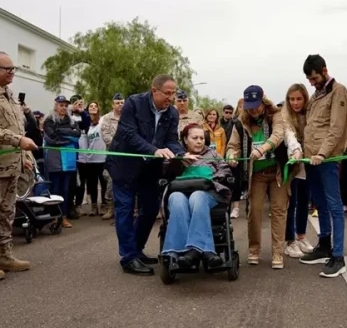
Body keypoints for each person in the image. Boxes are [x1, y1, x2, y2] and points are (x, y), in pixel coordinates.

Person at [105, 74, 197, 276]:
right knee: (125, 210)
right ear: (154, 90)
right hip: (124, 167)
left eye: (173, 94)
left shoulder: (172, 113)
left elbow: (171, 140)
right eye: (167, 93)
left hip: (149, 170)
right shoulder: (133, 103)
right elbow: (129, 134)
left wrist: (181, 154)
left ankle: (136, 250)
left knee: (151, 208)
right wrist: (154, 150)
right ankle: (128, 258)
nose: (171, 98)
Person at [298, 55, 347, 279]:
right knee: (319, 203)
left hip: (325, 159)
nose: (311, 82)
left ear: (324, 70)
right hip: (311, 159)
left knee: (334, 205)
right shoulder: (317, 95)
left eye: (314, 77)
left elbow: (337, 128)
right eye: (308, 79)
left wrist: (322, 153)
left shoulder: (338, 91)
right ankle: (324, 245)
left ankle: (338, 256)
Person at [226, 85, 288, 269]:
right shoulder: (241, 122)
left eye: (256, 105)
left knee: (278, 211)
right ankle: (254, 249)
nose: (253, 110)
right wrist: (231, 155)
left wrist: (263, 148)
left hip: (276, 171)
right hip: (256, 174)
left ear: (263, 101)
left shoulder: (275, 115)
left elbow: (278, 135)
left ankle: (278, 251)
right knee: (254, 211)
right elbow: (232, 146)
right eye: (249, 105)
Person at [161, 124, 233, 268]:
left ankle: (196, 250)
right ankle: (179, 251)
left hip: (208, 193)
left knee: (197, 196)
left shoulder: (212, 154)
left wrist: (212, 179)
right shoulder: (176, 155)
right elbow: (165, 174)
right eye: (195, 138)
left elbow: (225, 171)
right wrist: (179, 163)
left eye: (202, 138)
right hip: (180, 192)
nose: (199, 141)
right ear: (185, 140)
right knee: (176, 198)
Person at [0, 51, 38, 279]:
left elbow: (19, 128)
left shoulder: (11, 97)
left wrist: (25, 156)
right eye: (7, 69)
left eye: (14, 68)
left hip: (12, 165)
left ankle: (4, 254)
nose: (12, 72)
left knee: (7, 212)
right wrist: (18, 141)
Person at [282, 83, 314, 258]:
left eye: (299, 99)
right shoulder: (285, 116)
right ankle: (290, 241)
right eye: (292, 99)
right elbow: (289, 136)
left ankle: (301, 236)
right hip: (292, 163)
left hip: (307, 163)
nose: (295, 102)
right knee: (291, 203)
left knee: (304, 201)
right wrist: (296, 150)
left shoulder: (309, 114)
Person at [43, 95, 82, 228]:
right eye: (61, 105)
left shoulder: (72, 121)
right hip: (54, 159)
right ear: (56, 105)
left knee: (66, 190)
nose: (63, 108)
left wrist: (61, 133)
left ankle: (64, 216)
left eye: (66, 105)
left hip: (68, 160)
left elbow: (77, 135)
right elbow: (51, 137)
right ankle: (55, 217)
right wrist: (68, 136)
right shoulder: (49, 120)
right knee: (55, 189)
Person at [77, 101, 107, 216]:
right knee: (92, 184)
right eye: (91, 106)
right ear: (87, 109)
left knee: (103, 183)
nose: (93, 108)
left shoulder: (103, 121)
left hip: (102, 158)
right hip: (90, 160)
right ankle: (94, 206)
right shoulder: (86, 125)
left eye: (95, 106)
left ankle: (104, 205)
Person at [100, 93, 125, 220]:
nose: (120, 105)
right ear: (112, 104)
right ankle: (110, 208)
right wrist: (119, 145)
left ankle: (130, 209)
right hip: (113, 156)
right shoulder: (107, 118)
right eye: (117, 103)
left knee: (128, 182)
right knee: (110, 181)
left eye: (122, 102)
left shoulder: (129, 117)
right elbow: (105, 136)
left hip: (127, 157)